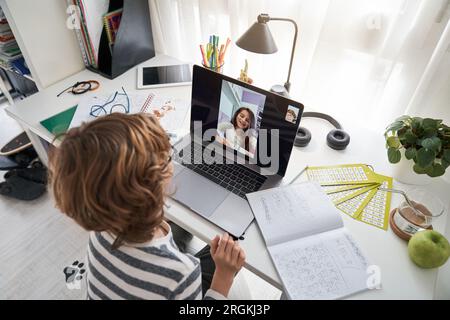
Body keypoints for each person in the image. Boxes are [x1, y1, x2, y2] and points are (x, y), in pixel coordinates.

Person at [48, 113, 246, 300]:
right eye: (168, 157)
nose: (171, 159)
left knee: (183, 231)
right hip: (171, 281)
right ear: (150, 192)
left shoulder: (100, 231)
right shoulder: (183, 273)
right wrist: (224, 277)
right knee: (229, 254)